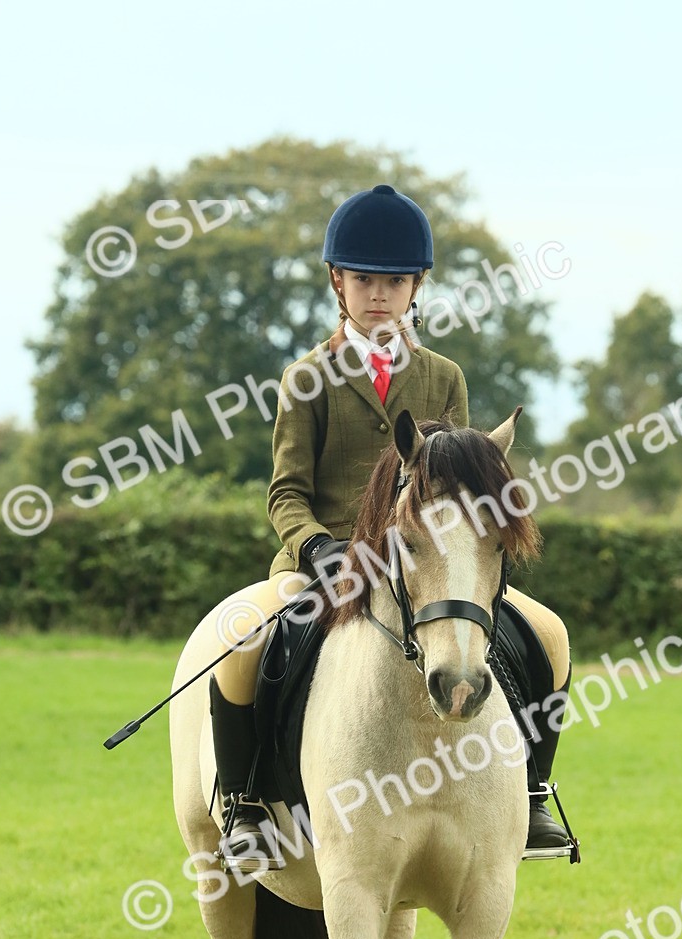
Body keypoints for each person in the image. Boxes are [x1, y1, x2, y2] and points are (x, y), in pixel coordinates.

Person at [209, 184, 573, 872]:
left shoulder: (444, 376)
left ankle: (531, 793)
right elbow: (286, 492)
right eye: (364, 280)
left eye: (395, 282)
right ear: (337, 282)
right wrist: (317, 546)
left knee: (548, 635)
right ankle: (246, 804)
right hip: (323, 564)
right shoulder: (305, 377)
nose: (379, 295)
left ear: (416, 288)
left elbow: (461, 482)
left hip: (427, 564)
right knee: (242, 644)